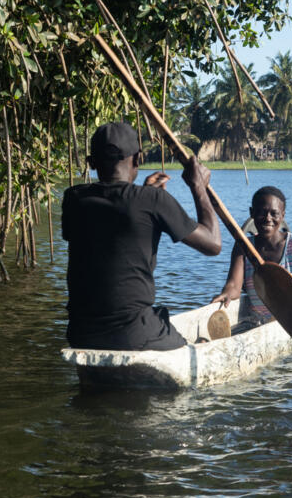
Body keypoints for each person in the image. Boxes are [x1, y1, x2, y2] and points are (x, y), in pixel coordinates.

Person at [62, 121, 221, 350]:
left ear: (92, 163)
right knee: (194, 345)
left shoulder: (73, 199)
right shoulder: (152, 201)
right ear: (139, 159)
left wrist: (147, 195)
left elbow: (114, 223)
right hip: (134, 333)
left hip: (81, 333)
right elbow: (213, 244)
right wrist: (199, 187)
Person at [211, 186, 292, 329]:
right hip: (258, 324)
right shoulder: (243, 247)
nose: (268, 219)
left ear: (282, 216)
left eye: (274, 214)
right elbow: (233, 286)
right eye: (261, 213)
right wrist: (226, 294)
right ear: (252, 213)